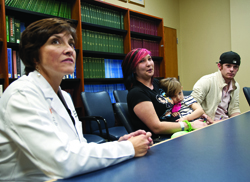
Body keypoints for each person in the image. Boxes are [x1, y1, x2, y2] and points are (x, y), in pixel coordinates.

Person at [0, 18, 153, 181]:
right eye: (56, 41)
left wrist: (118, 144)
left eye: (71, 43)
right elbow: (61, 161)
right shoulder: (22, 94)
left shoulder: (64, 96)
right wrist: (128, 148)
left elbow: (76, 148)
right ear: (34, 56)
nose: (69, 50)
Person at [122, 48, 207, 142]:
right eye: (142, 61)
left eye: (149, 59)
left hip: (179, 129)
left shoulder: (157, 84)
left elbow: (179, 99)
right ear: (133, 69)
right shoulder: (137, 93)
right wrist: (190, 125)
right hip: (163, 140)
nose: (149, 64)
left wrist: (199, 115)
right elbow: (156, 127)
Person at [191, 51, 241, 121]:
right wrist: (207, 119)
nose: (232, 69)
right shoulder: (207, 81)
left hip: (226, 123)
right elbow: (192, 102)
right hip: (208, 123)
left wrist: (237, 122)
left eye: (235, 67)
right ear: (219, 66)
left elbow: (234, 109)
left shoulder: (235, 85)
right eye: (228, 66)